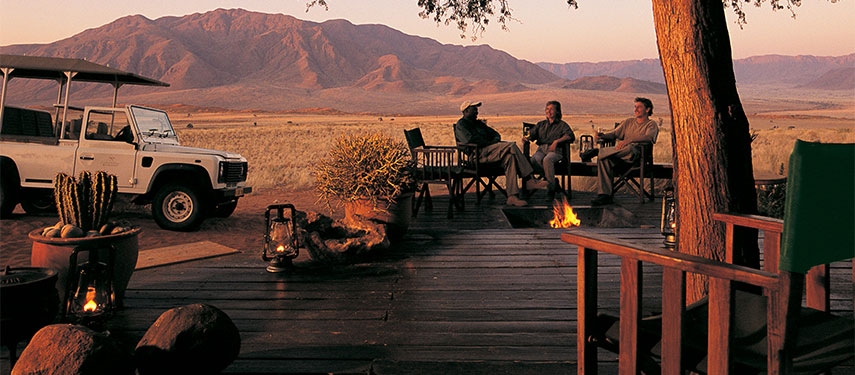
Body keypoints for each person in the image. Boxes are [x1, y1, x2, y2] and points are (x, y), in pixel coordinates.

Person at [455, 100, 547, 207]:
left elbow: (495, 134)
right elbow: (469, 140)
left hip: (490, 152)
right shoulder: (461, 125)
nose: (477, 111)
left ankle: (512, 197)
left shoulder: (479, 124)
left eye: (477, 109)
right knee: (511, 146)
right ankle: (528, 179)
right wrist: (490, 142)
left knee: (510, 157)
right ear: (466, 111)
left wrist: (494, 139)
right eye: (474, 109)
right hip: (477, 155)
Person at [580, 97, 659, 206]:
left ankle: (597, 151)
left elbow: (649, 137)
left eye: (639, 107)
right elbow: (614, 134)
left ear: (647, 109)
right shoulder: (628, 122)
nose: (635, 109)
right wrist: (603, 136)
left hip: (637, 158)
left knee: (630, 148)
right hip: (620, 157)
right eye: (635, 107)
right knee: (604, 159)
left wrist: (630, 140)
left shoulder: (651, 124)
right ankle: (605, 195)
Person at [524, 100, 575, 195]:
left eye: (551, 109)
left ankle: (550, 190)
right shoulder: (541, 124)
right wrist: (526, 138)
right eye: (547, 109)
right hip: (541, 149)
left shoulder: (562, 125)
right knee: (534, 159)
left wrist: (557, 141)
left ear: (557, 111)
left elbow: (570, 136)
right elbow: (531, 134)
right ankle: (553, 182)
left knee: (547, 160)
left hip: (555, 150)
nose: (548, 111)